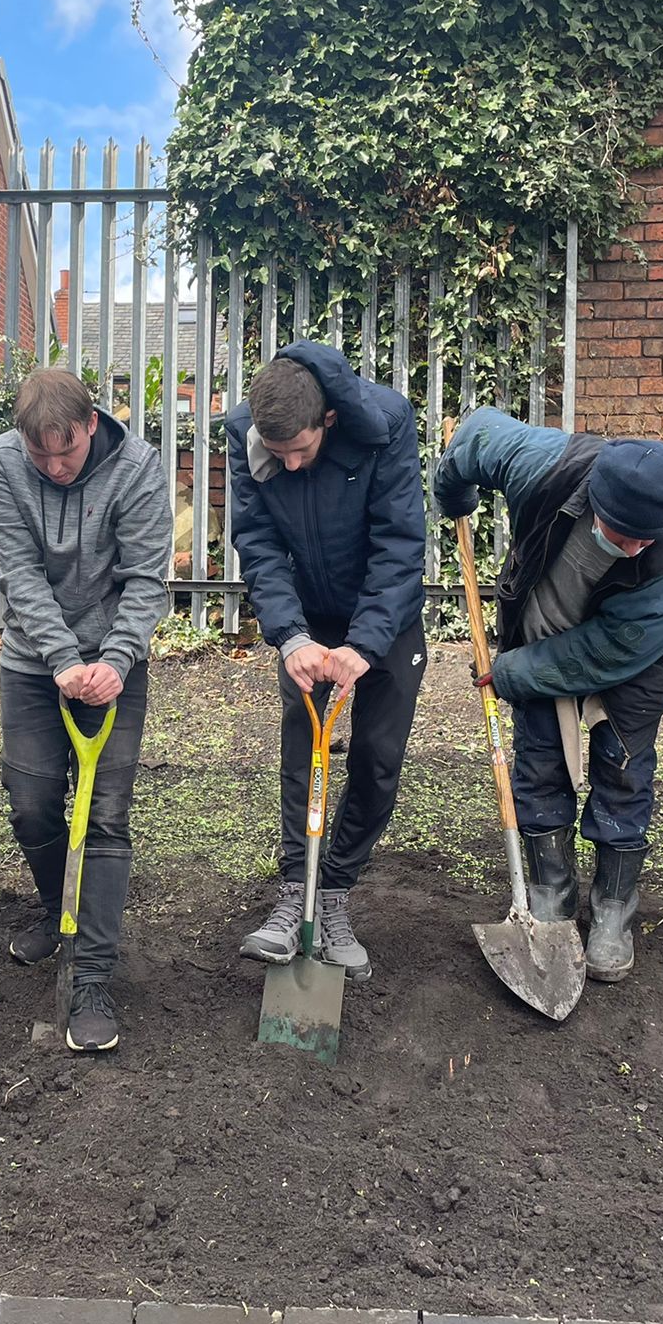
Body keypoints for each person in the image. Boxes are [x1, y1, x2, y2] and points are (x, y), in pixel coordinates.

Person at [433, 408, 663, 983]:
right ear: (596, 500)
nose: (634, 546)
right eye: (622, 533)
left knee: (622, 766)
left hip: (639, 659)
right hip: (545, 626)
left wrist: (512, 672)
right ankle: (550, 893)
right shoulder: (546, 465)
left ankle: (613, 908)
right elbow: (476, 436)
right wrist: (452, 493)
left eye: (646, 537)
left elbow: (604, 653)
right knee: (540, 758)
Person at [0, 366, 172, 1052]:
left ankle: (91, 976)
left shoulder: (138, 468)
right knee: (31, 804)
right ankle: (57, 909)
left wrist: (114, 661)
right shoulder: (1, 462)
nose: (55, 469)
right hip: (35, 661)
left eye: (67, 453)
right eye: (41, 456)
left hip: (116, 665)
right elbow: (21, 571)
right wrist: (61, 659)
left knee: (106, 816)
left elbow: (146, 578)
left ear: (92, 424)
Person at [225, 339, 426, 982]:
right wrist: (291, 637)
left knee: (377, 757)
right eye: (275, 452)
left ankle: (333, 890)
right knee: (301, 748)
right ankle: (296, 891)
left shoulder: (386, 426)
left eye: (300, 451)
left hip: (386, 615)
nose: (287, 464)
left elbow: (399, 545)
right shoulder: (247, 433)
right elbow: (257, 543)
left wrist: (364, 645)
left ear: (329, 420)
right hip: (308, 619)